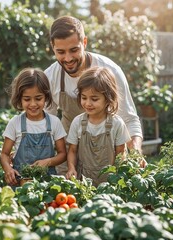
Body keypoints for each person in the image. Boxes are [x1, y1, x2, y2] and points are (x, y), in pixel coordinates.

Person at [44, 16, 143, 175]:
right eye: (61, 52)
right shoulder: (49, 77)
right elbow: (46, 122)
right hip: (70, 144)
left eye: (74, 50)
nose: (68, 58)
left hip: (105, 145)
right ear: (52, 47)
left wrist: (136, 152)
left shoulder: (110, 70)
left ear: (84, 43)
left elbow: (129, 119)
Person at [0, 68, 67, 186]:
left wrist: (48, 162)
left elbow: (62, 154)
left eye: (38, 98)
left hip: (47, 182)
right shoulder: (15, 123)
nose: (33, 104)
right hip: (20, 182)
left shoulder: (54, 122)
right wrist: (8, 169)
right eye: (27, 99)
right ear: (20, 99)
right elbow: (5, 154)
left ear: (46, 97)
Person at [65, 66, 130, 186]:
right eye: (84, 98)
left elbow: (121, 154)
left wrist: (118, 176)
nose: (88, 103)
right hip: (83, 182)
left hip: (109, 182)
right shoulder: (78, 122)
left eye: (94, 99)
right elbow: (72, 150)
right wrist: (71, 168)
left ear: (108, 99)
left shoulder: (117, 124)